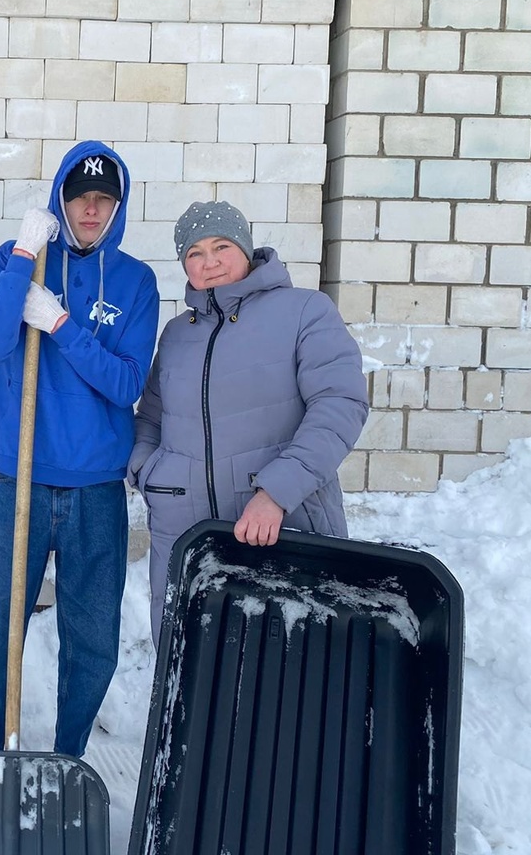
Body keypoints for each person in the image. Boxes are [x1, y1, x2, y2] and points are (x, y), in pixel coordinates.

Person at [0, 140, 160, 757]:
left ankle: (67, 761)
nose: (91, 210)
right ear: (60, 202)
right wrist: (25, 253)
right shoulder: (19, 259)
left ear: (118, 207)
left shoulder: (135, 281)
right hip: (19, 480)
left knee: (92, 642)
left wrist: (62, 327)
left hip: (96, 487)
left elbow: (126, 383)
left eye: (104, 199)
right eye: (80, 198)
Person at [129, 200, 370, 644]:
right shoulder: (177, 334)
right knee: (192, 666)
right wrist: (151, 474)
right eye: (195, 252)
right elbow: (151, 417)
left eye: (221, 246)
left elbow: (340, 404)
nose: (210, 262)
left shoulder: (305, 311)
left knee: (286, 664)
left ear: (245, 248)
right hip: (185, 535)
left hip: (282, 527)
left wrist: (277, 493)